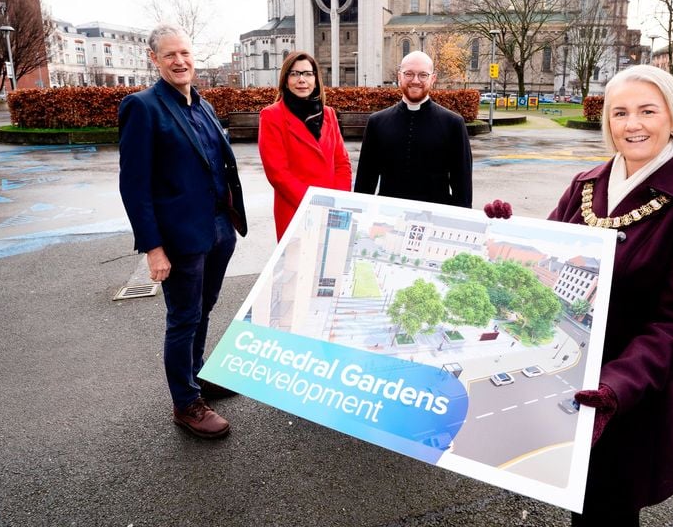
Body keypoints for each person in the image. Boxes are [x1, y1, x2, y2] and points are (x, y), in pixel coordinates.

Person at [486, 65, 673, 525]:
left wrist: (615, 387)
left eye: (647, 111)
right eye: (619, 112)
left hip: (628, 400)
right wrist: (508, 235)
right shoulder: (585, 185)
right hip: (565, 387)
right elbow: (550, 258)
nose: (632, 124)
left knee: (609, 513)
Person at [118, 24, 248, 439]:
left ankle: (196, 377)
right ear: (154, 60)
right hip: (180, 238)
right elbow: (134, 186)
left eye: (185, 53)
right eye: (170, 55)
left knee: (203, 310)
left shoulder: (204, 105)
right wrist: (153, 248)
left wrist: (228, 219)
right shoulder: (143, 107)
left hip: (218, 228)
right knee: (183, 319)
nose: (180, 61)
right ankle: (185, 404)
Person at [354, 50, 472, 207]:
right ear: (399, 76)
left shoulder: (453, 123)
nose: (415, 80)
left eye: (423, 75)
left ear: (433, 78)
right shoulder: (377, 122)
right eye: (408, 74)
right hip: (388, 217)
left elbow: (462, 183)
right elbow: (365, 179)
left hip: (435, 218)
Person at [258, 51, 352, 241]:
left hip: (331, 211)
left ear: (316, 79)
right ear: (285, 80)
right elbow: (278, 174)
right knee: (298, 268)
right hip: (296, 210)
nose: (302, 80)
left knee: (330, 267)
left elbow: (342, 163)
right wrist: (315, 205)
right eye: (295, 74)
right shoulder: (271, 116)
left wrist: (337, 202)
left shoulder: (329, 114)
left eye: (308, 74)